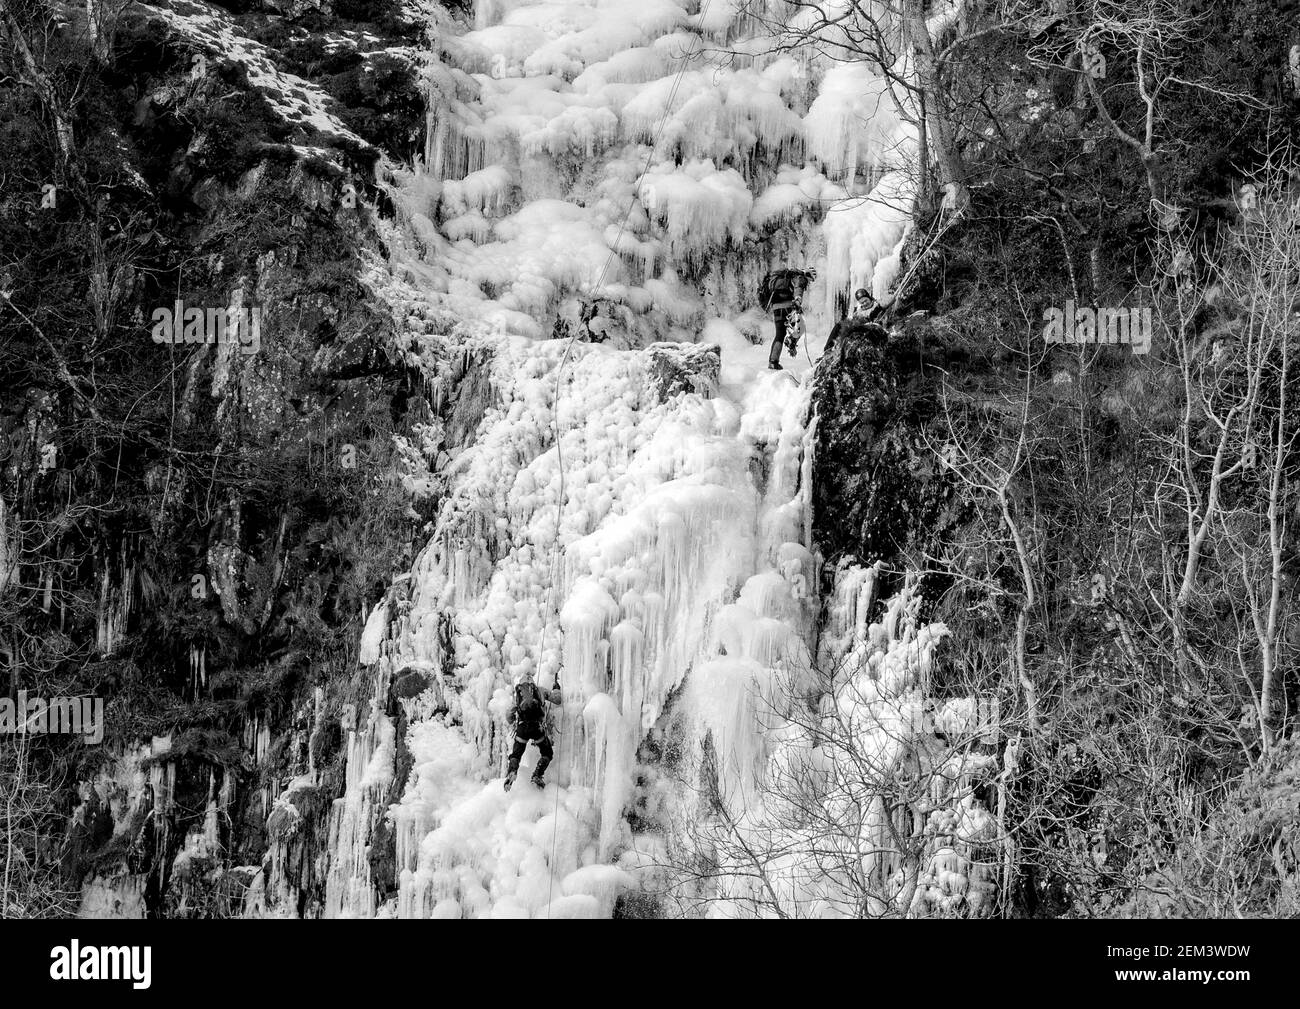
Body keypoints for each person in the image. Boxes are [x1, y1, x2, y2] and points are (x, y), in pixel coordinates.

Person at [504, 671, 562, 790]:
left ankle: (512, 771)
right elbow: (557, 699)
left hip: (522, 729)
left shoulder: (518, 697)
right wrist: (556, 689)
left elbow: (509, 714)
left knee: (516, 754)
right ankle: (537, 775)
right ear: (532, 683)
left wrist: (513, 721)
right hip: (537, 728)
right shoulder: (540, 690)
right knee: (547, 753)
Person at [759, 266, 816, 369]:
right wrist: (797, 301)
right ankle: (791, 341)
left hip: (776, 307)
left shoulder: (786, 276)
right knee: (801, 326)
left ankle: (773, 362)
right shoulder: (800, 277)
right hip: (788, 306)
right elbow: (798, 289)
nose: (810, 282)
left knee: (779, 334)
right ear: (808, 275)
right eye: (811, 279)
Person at [826, 287, 888, 352]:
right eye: (862, 303)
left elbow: (890, 299)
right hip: (861, 327)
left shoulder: (877, 303)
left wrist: (879, 307)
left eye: (865, 301)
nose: (864, 304)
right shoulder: (859, 312)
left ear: (869, 298)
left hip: (871, 327)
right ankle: (828, 348)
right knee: (839, 326)